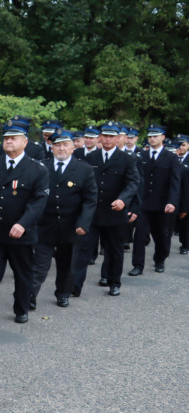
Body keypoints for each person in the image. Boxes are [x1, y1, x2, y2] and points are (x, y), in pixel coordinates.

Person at [0, 122, 48, 326]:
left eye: (13, 138)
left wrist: (23, 224)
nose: (8, 141)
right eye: (6, 138)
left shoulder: (36, 169)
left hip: (21, 234)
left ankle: (22, 308)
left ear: (25, 142)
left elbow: (38, 200)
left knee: (23, 274)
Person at [71, 121, 140, 297]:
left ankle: (114, 282)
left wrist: (123, 200)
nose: (108, 139)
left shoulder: (127, 159)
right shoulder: (90, 157)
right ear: (100, 137)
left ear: (118, 139)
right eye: (105, 136)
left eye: (112, 136)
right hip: (92, 213)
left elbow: (133, 183)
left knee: (115, 250)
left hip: (114, 212)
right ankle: (74, 286)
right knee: (83, 250)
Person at [30, 130, 98, 307]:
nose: (61, 148)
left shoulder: (84, 169)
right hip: (45, 225)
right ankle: (29, 296)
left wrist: (83, 223)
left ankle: (63, 293)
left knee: (66, 264)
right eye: (57, 144)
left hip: (71, 226)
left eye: (65, 144)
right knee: (39, 264)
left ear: (73, 147)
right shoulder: (41, 167)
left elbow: (90, 199)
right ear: (51, 147)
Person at [130, 124, 181, 275]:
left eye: (155, 136)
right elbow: (136, 180)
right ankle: (138, 265)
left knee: (161, 235)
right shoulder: (141, 156)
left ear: (163, 137)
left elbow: (175, 182)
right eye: (150, 136)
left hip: (162, 204)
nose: (152, 139)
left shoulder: (171, 158)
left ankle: (160, 259)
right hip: (144, 204)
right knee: (139, 235)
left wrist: (172, 201)